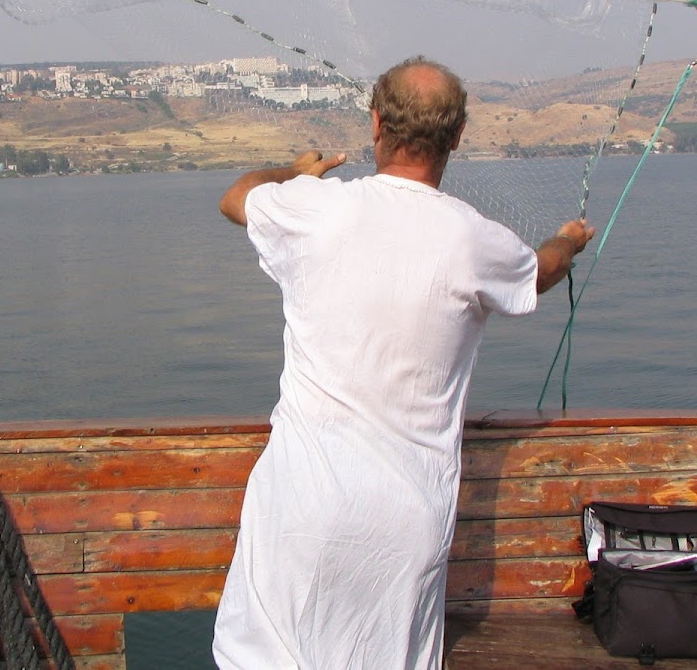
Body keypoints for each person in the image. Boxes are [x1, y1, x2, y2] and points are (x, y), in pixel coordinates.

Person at [211, 56, 595, 669]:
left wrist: (295, 172)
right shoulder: (471, 239)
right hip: (405, 519)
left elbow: (236, 198)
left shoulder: (316, 209)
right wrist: (570, 240)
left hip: (300, 508)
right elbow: (540, 272)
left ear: (376, 124)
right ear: (457, 136)